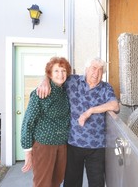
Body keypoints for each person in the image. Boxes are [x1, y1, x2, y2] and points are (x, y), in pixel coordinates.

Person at [37, 57, 119, 187]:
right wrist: (45, 81)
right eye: (93, 68)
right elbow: (55, 77)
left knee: (97, 183)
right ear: (86, 69)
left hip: (96, 146)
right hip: (73, 144)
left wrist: (90, 111)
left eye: (100, 70)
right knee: (71, 183)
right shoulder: (72, 81)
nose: (96, 73)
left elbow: (115, 105)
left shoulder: (105, 88)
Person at [21, 57, 72, 187]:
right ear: (49, 74)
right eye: (56, 71)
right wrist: (28, 152)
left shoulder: (64, 91)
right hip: (44, 145)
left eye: (63, 70)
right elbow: (28, 122)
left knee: (56, 181)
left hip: (61, 145)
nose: (60, 74)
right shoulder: (41, 92)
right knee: (43, 183)